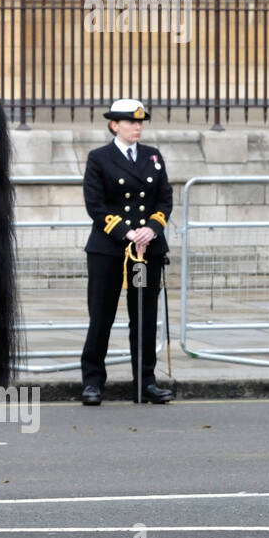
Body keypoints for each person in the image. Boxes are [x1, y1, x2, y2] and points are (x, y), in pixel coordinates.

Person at [80, 99, 174, 406]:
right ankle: (93, 382)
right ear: (114, 125)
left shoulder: (153, 156)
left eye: (140, 122)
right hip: (110, 250)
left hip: (146, 251)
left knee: (144, 316)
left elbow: (164, 200)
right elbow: (95, 205)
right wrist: (127, 232)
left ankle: (145, 382)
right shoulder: (99, 158)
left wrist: (152, 228)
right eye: (131, 122)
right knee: (101, 316)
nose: (137, 127)